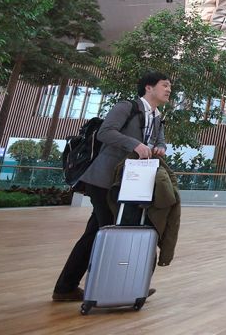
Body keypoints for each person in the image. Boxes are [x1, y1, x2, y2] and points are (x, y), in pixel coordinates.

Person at [52, 72, 170, 302]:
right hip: (104, 180)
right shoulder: (127, 107)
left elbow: (160, 140)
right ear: (148, 87)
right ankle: (118, 287)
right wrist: (135, 143)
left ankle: (66, 287)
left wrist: (160, 147)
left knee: (96, 231)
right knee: (114, 230)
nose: (168, 90)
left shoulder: (156, 116)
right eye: (164, 85)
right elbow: (106, 132)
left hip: (128, 182)